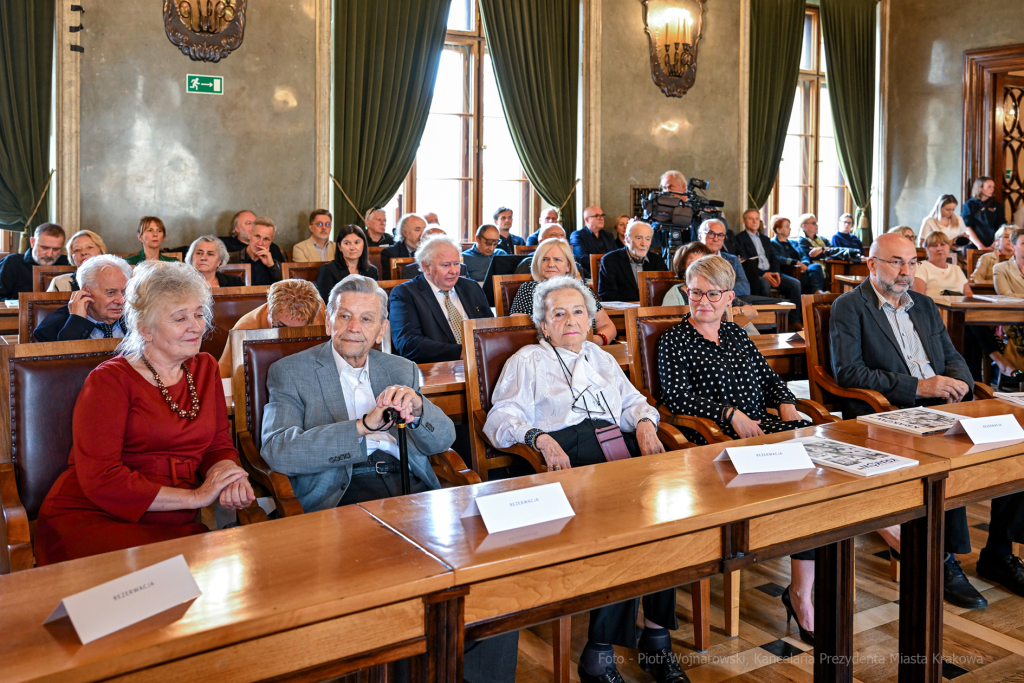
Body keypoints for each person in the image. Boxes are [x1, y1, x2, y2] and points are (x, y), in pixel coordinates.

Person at [261, 275, 516, 683]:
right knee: (395, 585)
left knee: (494, 580)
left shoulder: (401, 368)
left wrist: (418, 405)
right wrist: (361, 427)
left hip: (410, 488)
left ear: (383, 328)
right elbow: (279, 449)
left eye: (366, 319)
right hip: (343, 492)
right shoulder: (290, 372)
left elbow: (443, 442)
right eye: (344, 316)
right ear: (329, 319)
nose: (353, 327)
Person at [484, 276, 683, 683]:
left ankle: (656, 639)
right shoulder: (528, 360)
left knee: (670, 519)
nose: (571, 320)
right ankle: (599, 654)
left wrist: (645, 424)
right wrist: (538, 438)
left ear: (591, 318)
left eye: (578, 311)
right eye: (559, 313)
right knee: (624, 525)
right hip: (567, 461)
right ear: (543, 324)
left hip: (619, 452)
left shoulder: (601, 357)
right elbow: (501, 418)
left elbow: (633, 403)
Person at [831, 233, 1024, 608]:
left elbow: (953, 356)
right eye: (895, 262)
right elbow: (849, 373)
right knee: (947, 450)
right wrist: (921, 387)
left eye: (911, 262)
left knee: (1016, 443)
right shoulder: (849, 307)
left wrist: (959, 384)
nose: (905, 271)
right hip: (890, 413)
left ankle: (998, 553)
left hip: (942, 406)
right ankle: (944, 559)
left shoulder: (923, 304)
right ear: (872, 264)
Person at [34, 261, 254, 565]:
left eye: (199, 314)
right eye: (180, 318)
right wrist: (197, 497)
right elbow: (101, 478)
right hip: (95, 515)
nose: (196, 326)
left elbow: (217, 444)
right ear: (144, 329)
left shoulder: (205, 368)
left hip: (173, 518)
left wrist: (228, 474)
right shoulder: (109, 380)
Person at [657, 254, 815, 640]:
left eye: (712, 294)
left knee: (816, 477)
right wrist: (730, 414)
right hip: (712, 437)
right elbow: (676, 398)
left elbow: (770, 378)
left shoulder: (737, 335)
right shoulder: (674, 340)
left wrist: (788, 405)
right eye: (695, 293)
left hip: (763, 427)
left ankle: (802, 592)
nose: (703, 302)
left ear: (729, 297)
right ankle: (801, 594)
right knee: (798, 483)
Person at [914, 232, 1015, 379]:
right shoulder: (921, 267)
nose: (939, 248)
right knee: (974, 328)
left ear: (949, 248)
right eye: (933, 245)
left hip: (961, 317)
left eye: (943, 244)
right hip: (937, 316)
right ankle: (998, 361)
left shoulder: (955, 269)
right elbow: (920, 298)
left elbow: (968, 296)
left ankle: (972, 385)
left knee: (971, 337)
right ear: (927, 249)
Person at [389, 235, 493, 363]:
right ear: (426, 267)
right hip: (436, 369)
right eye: (446, 265)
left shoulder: (471, 287)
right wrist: (462, 352)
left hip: (481, 363)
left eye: (456, 264)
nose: (454, 271)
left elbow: (490, 329)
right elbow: (408, 343)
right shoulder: (405, 293)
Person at [511, 238, 617, 346]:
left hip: (586, 352)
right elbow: (517, 332)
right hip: (545, 354)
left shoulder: (581, 289)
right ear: (537, 263)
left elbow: (608, 327)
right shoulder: (528, 290)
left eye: (557, 259)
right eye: (544, 259)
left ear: (568, 266)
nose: (551, 264)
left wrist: (593, 342)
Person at [218, 278, 327, 378]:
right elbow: (224, 374)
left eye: (301, 329)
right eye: (282, 326)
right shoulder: (244, 329)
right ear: (269, 308)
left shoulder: (317, 306)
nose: (291, 334)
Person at [663, 243, 759, 336]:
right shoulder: (674, 294)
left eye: (704, 263)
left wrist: (735, 311)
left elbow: (753, 312)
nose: (700, 268)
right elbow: (668, 327)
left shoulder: (718, 291)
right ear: (683, 270)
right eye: (693, 264)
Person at [34, 255, 132, 342]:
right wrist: (77, 322)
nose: (121, 300)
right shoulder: (48, 331)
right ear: (86, 291)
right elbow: (65, 361)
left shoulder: (137, 319)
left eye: (124, 292)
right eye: (111, 293)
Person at [734, 209, 802, 321]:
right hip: (757, 275)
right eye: (751, 219)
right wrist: (764, 274)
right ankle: (765, 321)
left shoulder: (765, 239)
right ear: (744, 221)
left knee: (795, 284)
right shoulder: (739, 239)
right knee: (764, 284)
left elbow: (774, 258)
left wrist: (775, 272)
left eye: (757, 218)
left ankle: (794, 320)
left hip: (772, 272)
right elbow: (746, 263)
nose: (754, 221)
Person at [597, 220, 667, 302]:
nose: (644, 244)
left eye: (648, 239)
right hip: (623, 312)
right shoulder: (610, 260)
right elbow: (607, 294)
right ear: (627, 238)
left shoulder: (658, 260)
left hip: (651, 312)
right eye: (639, 238)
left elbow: (665, 291)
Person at [0, 222, 68, 298]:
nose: (49, 254)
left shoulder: (67, 263)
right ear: (32, 242)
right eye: (44, 248)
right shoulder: (11, 263)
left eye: (56, 249)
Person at [316, 224, 379, 302]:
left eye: (357, 242)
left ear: (364, 245)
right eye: (347, 243)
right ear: (339, 246)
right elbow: (324, 303)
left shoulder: (372, 271)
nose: (352, 247)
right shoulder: (327, 270)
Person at [770, 215, 825, 293]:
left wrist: (804, 264)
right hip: (789, 271)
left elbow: (804, 256)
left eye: (789, 226)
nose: (790, 229)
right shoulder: (772, 243)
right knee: (811, 278)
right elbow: (778, 258)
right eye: (787, 227)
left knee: (816, 266)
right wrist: (796, 263)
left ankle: (818, 291)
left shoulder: (794, 242)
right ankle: (817, 293)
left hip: (802, 269)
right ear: (778, 230)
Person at [229, 217, 282, 286]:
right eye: (257, 236)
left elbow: (283, 291)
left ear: (271, 241)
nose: (260, 243)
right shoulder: (231, 260)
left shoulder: (275, 265)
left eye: (266, 239)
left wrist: (271, 266)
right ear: (249, 234)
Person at [221, 210, 287, 262]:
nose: (253, 226)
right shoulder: (223, 244)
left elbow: (284, 276)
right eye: (248, 223)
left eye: (255, 223)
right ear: (237, 228)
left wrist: (271, 265)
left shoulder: (272, 247)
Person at [962, 177, 1005, 248]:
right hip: (973, 243)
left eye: (993, 187)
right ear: (980, 188)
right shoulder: (970, 204)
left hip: (993, 243)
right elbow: (966, 226)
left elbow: (1001, 226)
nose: (992, 189)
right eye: (989, 187)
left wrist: (994, 244)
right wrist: (980, 245)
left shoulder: (997, 205)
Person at [380, 213, 425, 280]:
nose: (422, 234)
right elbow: (390, 284)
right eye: (417, 230)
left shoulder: (431, 251)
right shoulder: (390, 253)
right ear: (405, 233)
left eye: (425, 229)